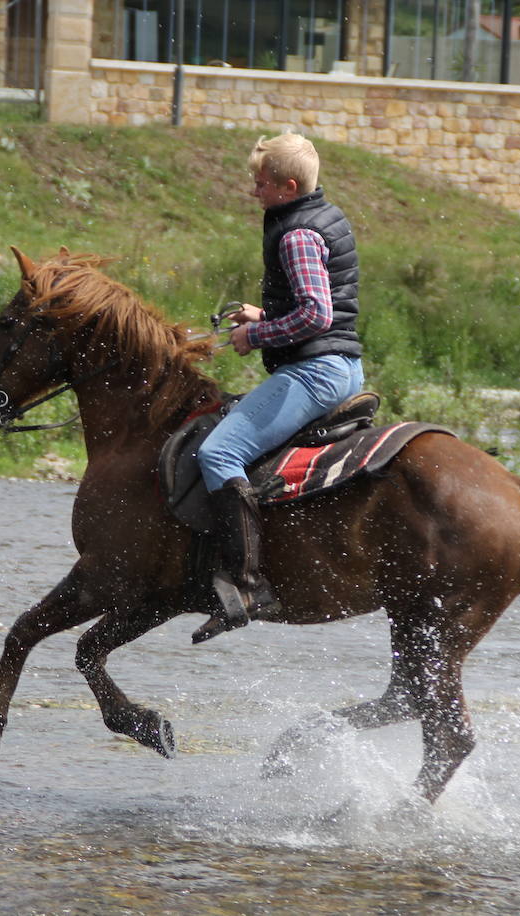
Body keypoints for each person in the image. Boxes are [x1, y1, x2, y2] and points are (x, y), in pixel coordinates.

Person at [194, 132, 364, 641]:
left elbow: (317, 312)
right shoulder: (321, 215)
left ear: (288, 187)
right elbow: (320, 306)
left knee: (217, 455)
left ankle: (246, 585)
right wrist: (266, 313)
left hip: (317, 372)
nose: (254, 191)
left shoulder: (296, 235)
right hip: (335, 364)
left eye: (261, 183)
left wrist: (257, 333)